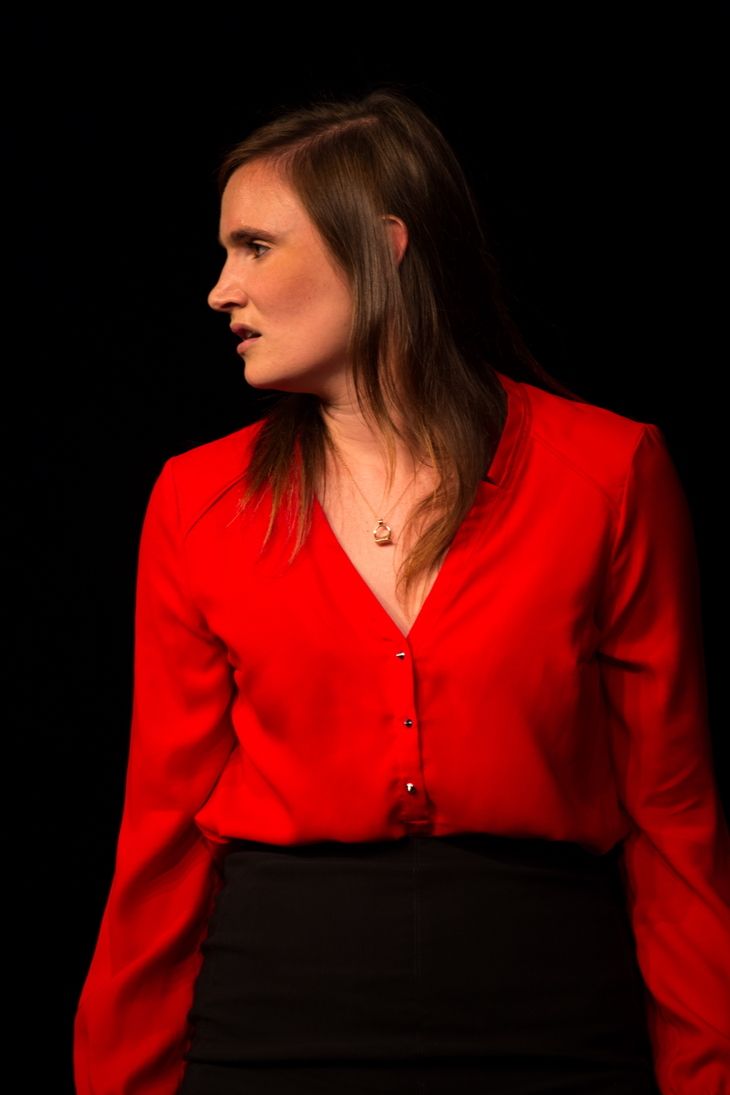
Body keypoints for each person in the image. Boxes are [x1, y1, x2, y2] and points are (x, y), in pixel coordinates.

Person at [73, 87, 730, 1095]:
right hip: (272, 1024)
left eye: (254, 247)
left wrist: (707, 1072)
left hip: (551, 1023)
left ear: (381, 248)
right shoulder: (196, 501)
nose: (218, 289)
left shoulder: (607, 472)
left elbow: (674, 821)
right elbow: (160, 829)